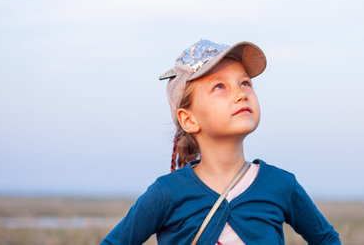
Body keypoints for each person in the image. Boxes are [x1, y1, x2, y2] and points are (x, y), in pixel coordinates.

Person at [100, 39, 341, 245]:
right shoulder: (166, 193)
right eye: (219, 86)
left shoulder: (281, 185)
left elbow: (327, 239)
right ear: (189, 119)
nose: (241, 93)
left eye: (245, 82)